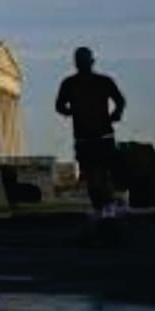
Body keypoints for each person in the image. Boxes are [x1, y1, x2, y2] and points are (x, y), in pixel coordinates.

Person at [56, 46, 127, 218]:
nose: (81, 64)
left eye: (84, 60)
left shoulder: (104, 81)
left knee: (102, 173)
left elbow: (120, 100)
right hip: (84, 137)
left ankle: (107, 208)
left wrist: (116, 113)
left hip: (102, 135)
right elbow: (59, 105)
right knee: (91, 176)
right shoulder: (69, 83)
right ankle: (101, 208)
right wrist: (72, 112)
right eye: (79, 61)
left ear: (91, 62)